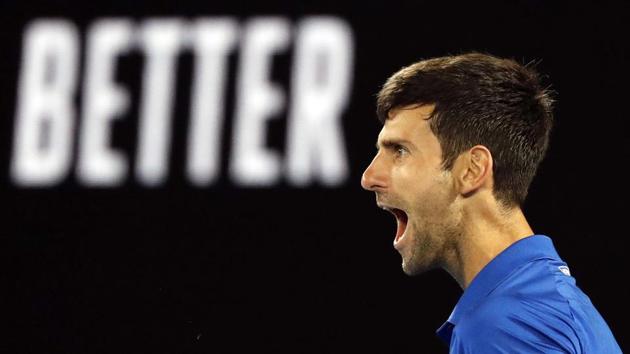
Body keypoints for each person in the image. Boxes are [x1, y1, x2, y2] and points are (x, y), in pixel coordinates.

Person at [360, 52, 622, 353]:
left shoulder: (506, 328)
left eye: (399, 150)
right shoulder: (534, 305)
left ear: (472, 170)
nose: (369, 177)